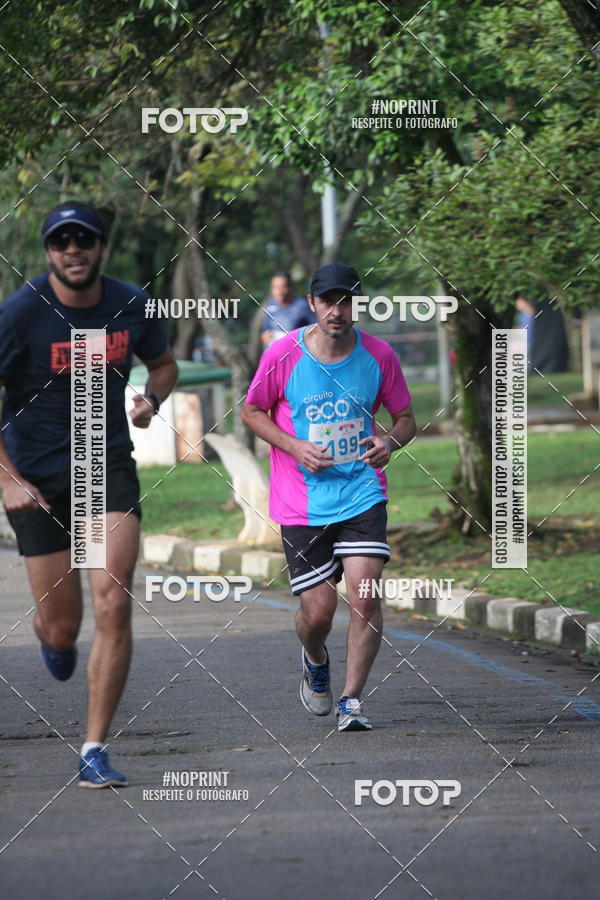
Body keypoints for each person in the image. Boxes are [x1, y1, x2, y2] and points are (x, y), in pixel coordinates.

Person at [0, 202, 178, 787]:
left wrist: (152, 400)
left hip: (106, 470)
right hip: (38, 483)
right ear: (48, 251)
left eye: (84, 240)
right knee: (61, 628)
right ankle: (53, 641)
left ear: (101, 247)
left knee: (113, 601)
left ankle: (94, 747)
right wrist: (7, 478)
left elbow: (165, 363)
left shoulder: (131, 303)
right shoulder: (21, 315)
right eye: (60, 242)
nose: (72, 250)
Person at [242, 263, 415, 731]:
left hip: (361, 492)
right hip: (302, 502)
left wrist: (389, 442)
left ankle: (352, 701)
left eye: (346, 302)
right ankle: (314, 657)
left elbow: (405, 418)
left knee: (365, 596)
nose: (337, 311)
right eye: (328, 301)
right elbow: (252, 410)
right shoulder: (283, 355)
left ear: (358, 305)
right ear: (312, 303)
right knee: (317, 613)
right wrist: (295, 446)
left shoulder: (378, 356)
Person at [260, 271, 316, 346]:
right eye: (275, 287)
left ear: (290, 287)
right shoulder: (269, 306)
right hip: (275, 352)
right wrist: (266, 337)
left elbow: (315, 331)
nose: (279, 291)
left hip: (297, 352)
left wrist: (295, 337)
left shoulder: (303, 306)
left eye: (282, 287)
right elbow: (265, 332)